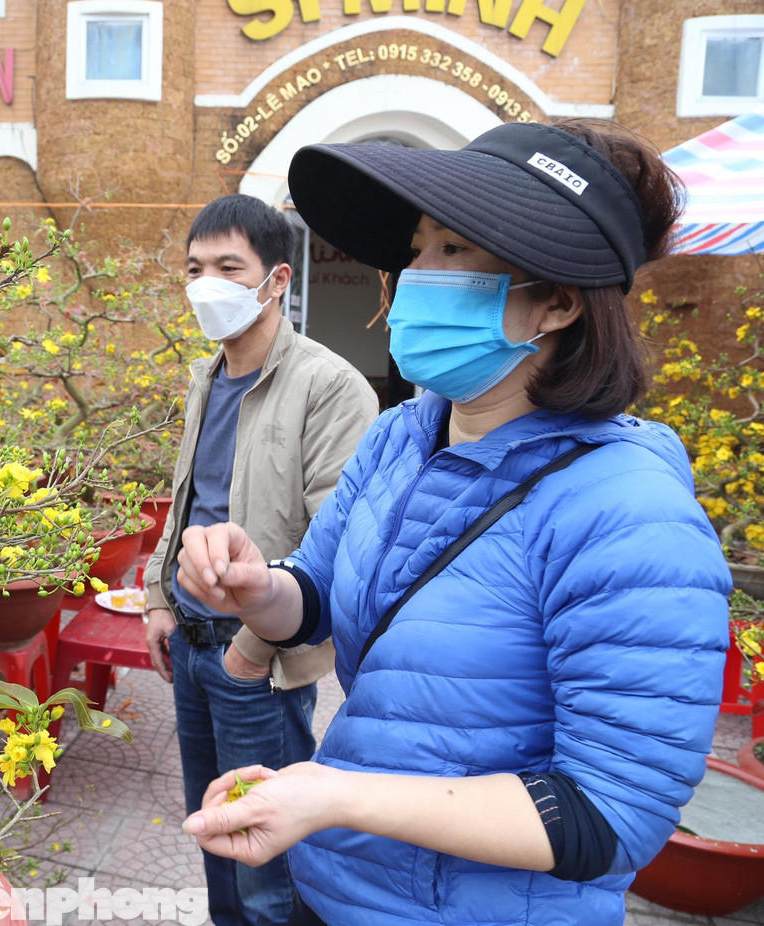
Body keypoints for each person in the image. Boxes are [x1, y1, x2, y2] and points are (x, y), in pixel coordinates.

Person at [176, 119, 731, 926]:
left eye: (454, 252)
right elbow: (318, 597)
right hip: (339, 890)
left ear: (556, 304)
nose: (412, 278)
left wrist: (341, 795)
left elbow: (610, 817)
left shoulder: (629, 512)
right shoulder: (406, 432)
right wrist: (258, 586)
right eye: (417, 246)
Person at [142, 193, 377, 926]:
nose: (205, 282)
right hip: (191, 641)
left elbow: (335, 541)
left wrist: (249, 649)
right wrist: (159, 598)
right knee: (213, 828)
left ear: (276, 280)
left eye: (227, 267)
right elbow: (187, 498)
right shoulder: (206, 376)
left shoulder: (330, 386)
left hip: (261, 662)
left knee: (266, 855)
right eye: (195, 267)